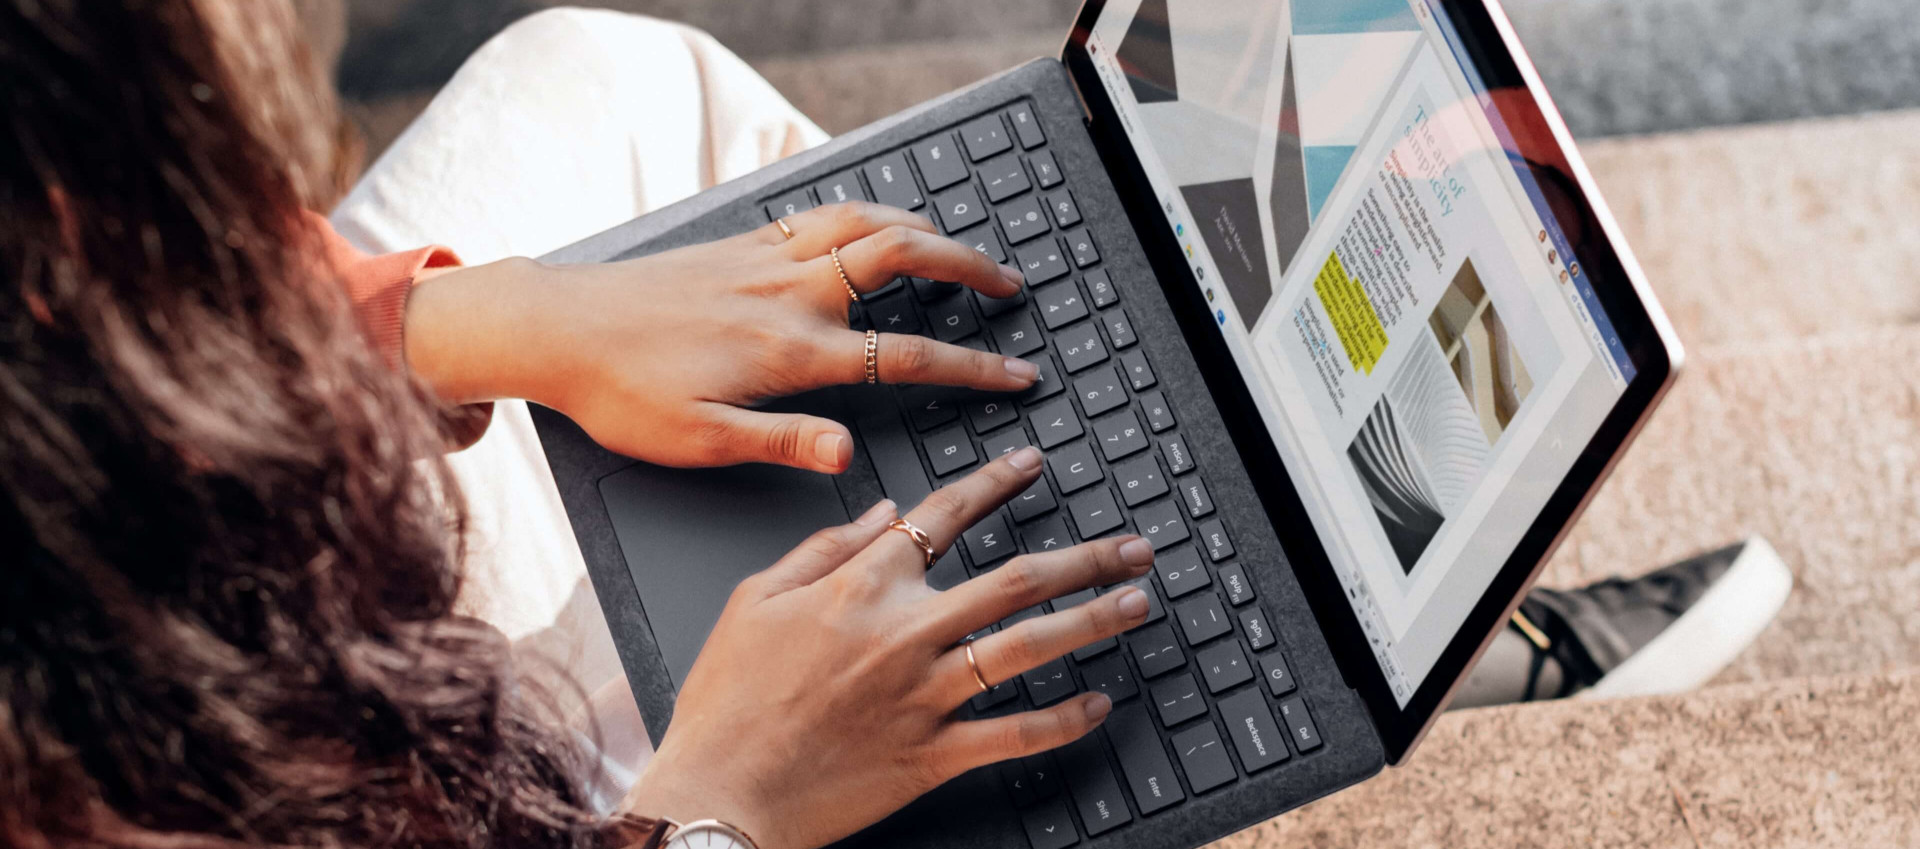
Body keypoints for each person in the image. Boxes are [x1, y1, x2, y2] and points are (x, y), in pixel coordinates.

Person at [0, 5, 1786, 849]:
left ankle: (1232, 534)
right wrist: (720, 806)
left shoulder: (62, 258)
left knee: (621, 89)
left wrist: (486, 320)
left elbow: (135, 315)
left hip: (206, 604)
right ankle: (1299, 633)